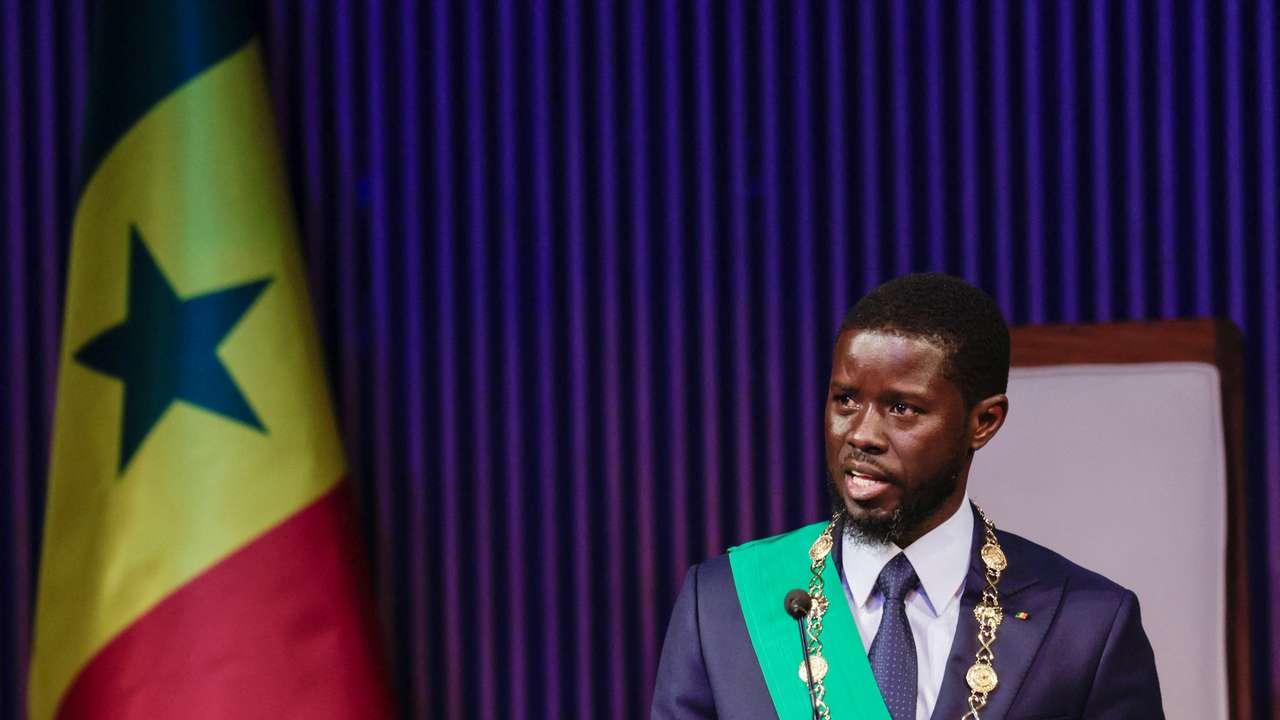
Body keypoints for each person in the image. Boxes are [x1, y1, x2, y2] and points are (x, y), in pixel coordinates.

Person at [651, 273, 1163, 719]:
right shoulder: (722, 604)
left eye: (902, 408)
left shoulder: (1088, 624)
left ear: (983, 422)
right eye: (845, 399)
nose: (862, 434)